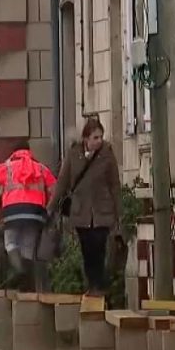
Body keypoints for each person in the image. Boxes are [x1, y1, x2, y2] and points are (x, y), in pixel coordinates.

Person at [47, 118, 123, 297]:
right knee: (87, 251)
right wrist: (50, 207)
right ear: (86, 139)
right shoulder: (74, 154)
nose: (99, 141)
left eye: (101, 137)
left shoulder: (107, 154)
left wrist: (119, 213)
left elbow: (114, 184)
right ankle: (93, 286)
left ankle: (100, 288)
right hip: (81, 212)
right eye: (95, 137)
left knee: (99, 248)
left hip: (101, 211)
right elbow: (62, 183)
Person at [0, 140, 57, 292]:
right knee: (28, 248)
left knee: (10, 243)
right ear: (29, 151)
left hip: (12, 213)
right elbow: (55, 188)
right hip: (35, 213)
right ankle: (26, 285)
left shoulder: (7, 167)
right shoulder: (40, 168)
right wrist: (49, 209)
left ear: (14, 152)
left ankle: (20, 271)